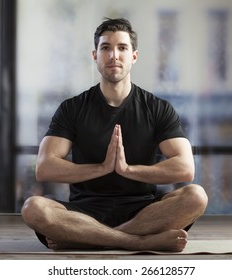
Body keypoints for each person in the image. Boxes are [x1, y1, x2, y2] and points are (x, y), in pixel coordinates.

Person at [21, 17, 208, 252]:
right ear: (95, 56)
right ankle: (138, 242)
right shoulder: (72, 108)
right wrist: (102, 167)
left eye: (122, 48)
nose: (114, 56)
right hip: (84, 212)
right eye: (106, 48)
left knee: (196, 196)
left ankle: (88, 239)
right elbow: (44, 167)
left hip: (143, 212)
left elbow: (185, 169)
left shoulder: (158, 108)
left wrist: (127, 169)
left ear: (134, 56)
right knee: (33, 208)